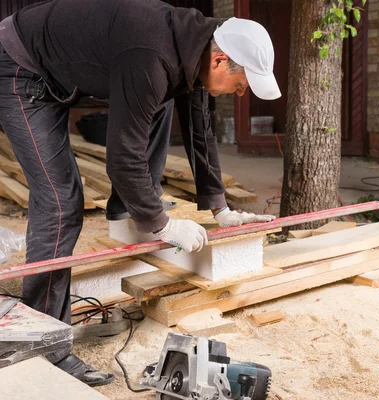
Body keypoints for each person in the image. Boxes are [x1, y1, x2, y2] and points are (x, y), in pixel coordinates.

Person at [0, 0, 280, 386]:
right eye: (242, 83)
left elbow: (199, 129)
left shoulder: (201, 43)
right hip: (21, 66)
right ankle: (44, 346)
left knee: (160, 102)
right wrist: (162, 224)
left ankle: (127, 208)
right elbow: (122, 157)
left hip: (67, 66)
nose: (242, 92)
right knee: (61, 201)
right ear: (220, 61)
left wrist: (220, 208)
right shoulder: (152, 56)